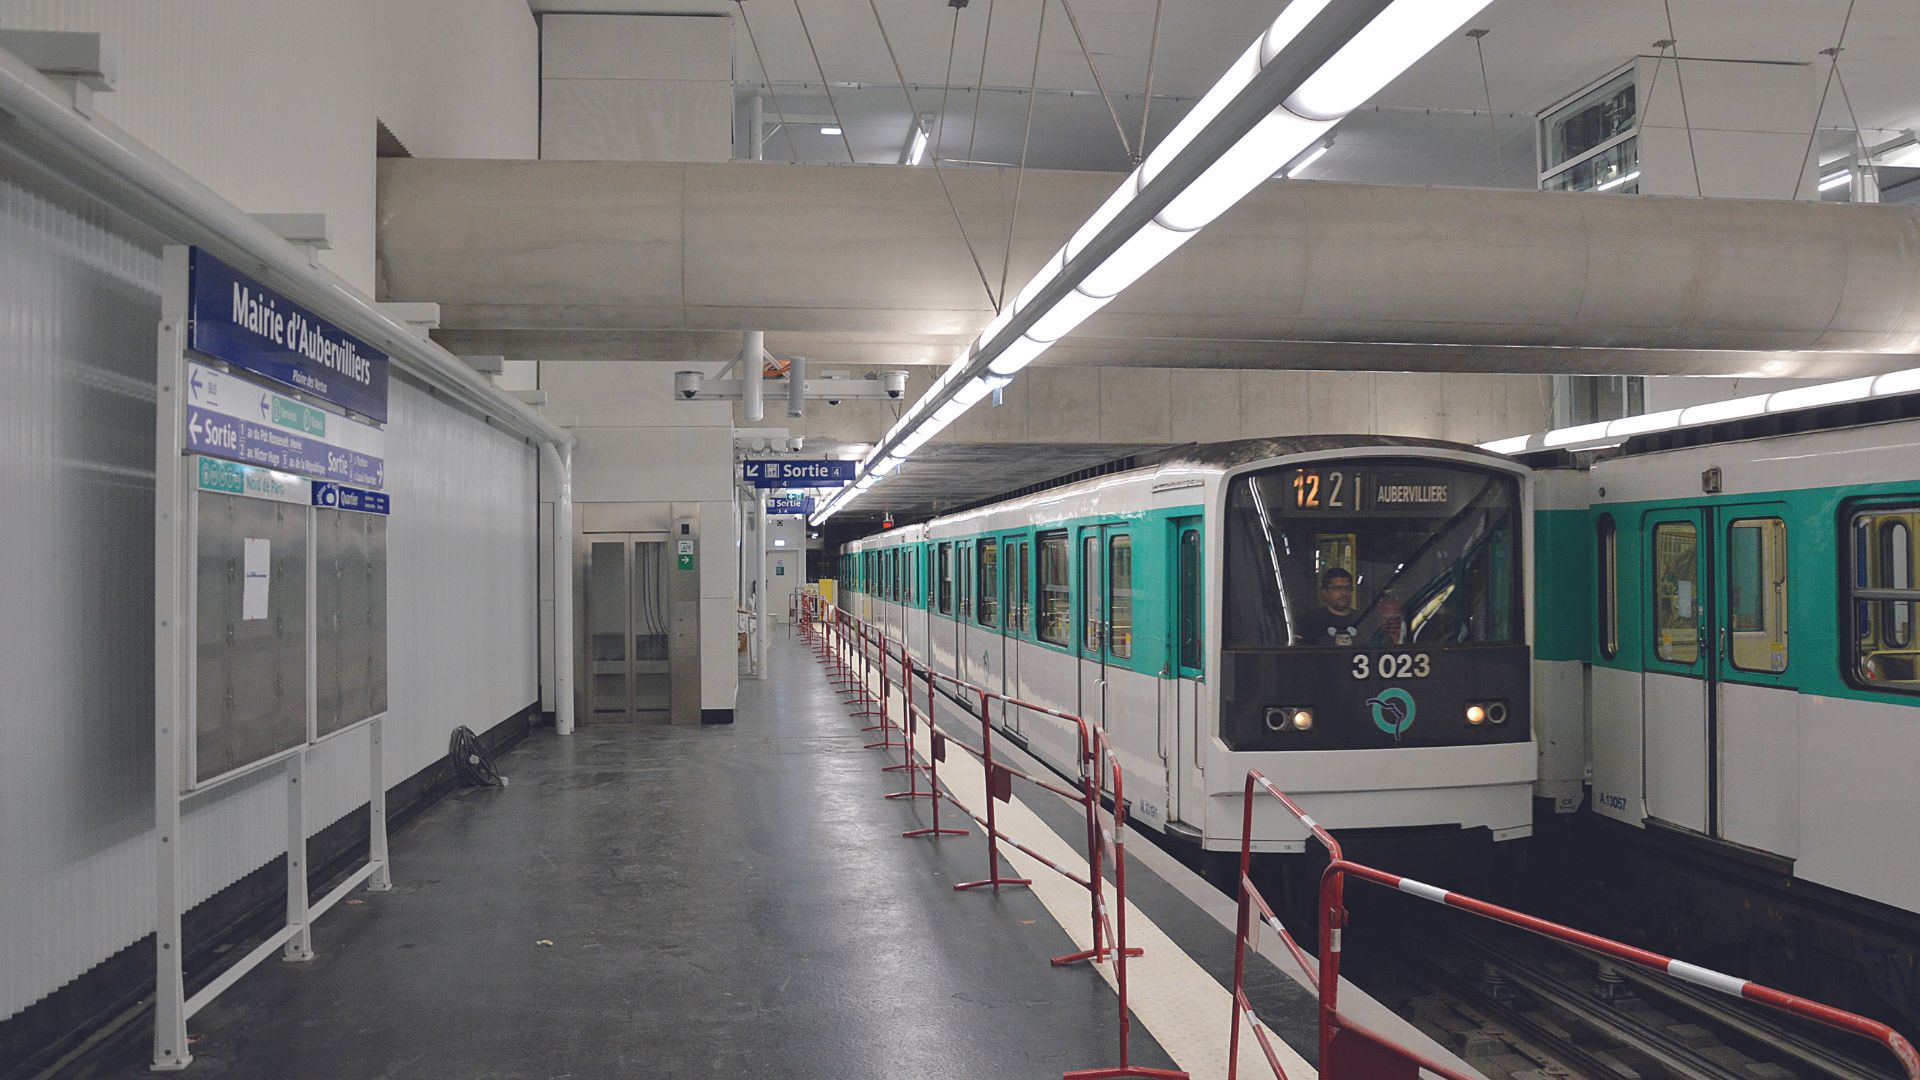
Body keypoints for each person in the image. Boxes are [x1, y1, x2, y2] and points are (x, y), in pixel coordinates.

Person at [1299, 567, 1361, 646]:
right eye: (1337, 588)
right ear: (1325, 592)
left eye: (1347, 588)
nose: (1344, 593)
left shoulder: (1362, 621)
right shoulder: (1311, 622)